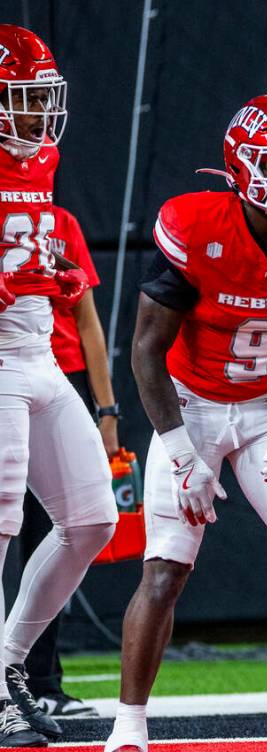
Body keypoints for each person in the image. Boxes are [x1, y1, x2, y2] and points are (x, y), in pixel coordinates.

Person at [102, 94, 267, 752]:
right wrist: (182, 451)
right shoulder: (195, 225)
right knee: (165, 567)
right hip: (187, 405)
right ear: (243, 166)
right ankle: (128, 725)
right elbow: (144, 351)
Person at [0, 24, 117, 748]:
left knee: (93, 520)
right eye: (23, 97)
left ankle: (9, 663)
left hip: (41, 353)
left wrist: (57, 277)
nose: (39, 112)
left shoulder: (42, 154)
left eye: (44, 97)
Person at [19, 204, 122, 720]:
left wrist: (106, 410)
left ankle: (38, 679)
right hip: (8, 373)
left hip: (59, 379)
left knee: (74, 525)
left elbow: (88, 321)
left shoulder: (58, 222)